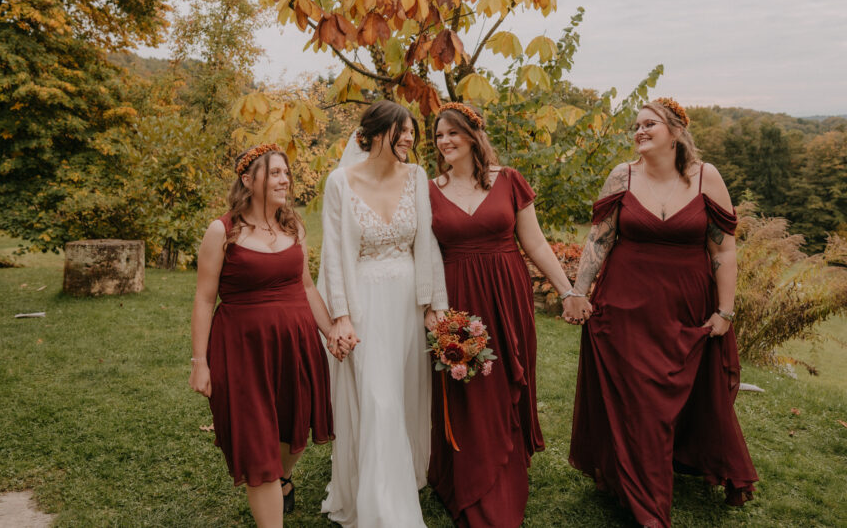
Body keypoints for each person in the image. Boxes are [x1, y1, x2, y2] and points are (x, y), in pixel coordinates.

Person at [564, 98, 758, 528]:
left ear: (675, 131)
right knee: (637, 402)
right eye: (636, 125)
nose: (639, 130)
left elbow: (723, 248)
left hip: (686, 307)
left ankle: (656, 468)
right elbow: (598, 240)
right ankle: (647, 505)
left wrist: (725, 310)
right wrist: (578, 292)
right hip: (625, 307)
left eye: (649, 123)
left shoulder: (707, 178)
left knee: (674, 399)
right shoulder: (622, 175)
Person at [427, 102, 579, 528]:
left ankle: (507, 463)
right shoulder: (428, 189)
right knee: (470, 385)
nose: (445, 141)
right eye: (439, 135)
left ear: (474, 136)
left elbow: (535, 242)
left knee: (507, 378)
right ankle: (473, 476)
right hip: (457, 297)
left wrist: (567, 290)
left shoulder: (509, 180)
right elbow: (422, 256)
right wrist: (431, 309)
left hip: (507, 296)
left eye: (453, 133)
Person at [189, 144, 341, 528]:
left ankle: (285, 480)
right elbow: (205, 299)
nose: (284, 179)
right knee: (260, 452)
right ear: (247, 180)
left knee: (292, 430)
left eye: (286, 172)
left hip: (296, 346)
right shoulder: (222, 230)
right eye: (274, 173)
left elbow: (306, 287)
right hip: (243, 353)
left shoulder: (293, 227)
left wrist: (330, 332)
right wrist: (199, 363)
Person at [319, 99, 449, 528]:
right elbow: (335, 255)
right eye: (403, 130)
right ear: (375, 134)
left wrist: (436, 306)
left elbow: (426, 244)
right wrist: (341, 316)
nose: (411, 137)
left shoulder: (416, 176)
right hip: (365, 302)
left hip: (408, 301)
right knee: (378, 398)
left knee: (404, 393)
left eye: (412, 130)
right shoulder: (340, 182)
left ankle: (398, 480)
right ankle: (383, 509)